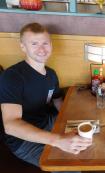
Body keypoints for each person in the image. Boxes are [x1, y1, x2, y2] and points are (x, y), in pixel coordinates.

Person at [0, 23, 92, 171]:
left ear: (51, 45)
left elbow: (58, 102)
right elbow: (11, 125)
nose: (41, 49)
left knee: (91, 128)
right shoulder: (12, 76)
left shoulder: (51, 74)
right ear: (23, 47)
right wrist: (58, 140)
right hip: (23, 140)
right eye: (34, 43)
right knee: (71, 166)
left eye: (45, 43)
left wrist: (74, 119)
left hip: (46, 123)